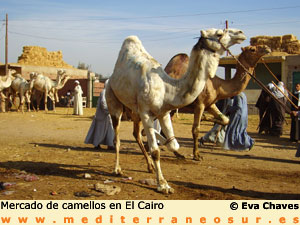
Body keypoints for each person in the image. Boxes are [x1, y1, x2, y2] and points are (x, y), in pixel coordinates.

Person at [84, 79, 115, 150]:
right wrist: (108, 110)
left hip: (107, 115)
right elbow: (103, 103)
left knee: (110, 130)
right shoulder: (103, 93)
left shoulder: (109, 93)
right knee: (99, 131)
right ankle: (96, 144)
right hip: (102, 115)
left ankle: (110, 144)